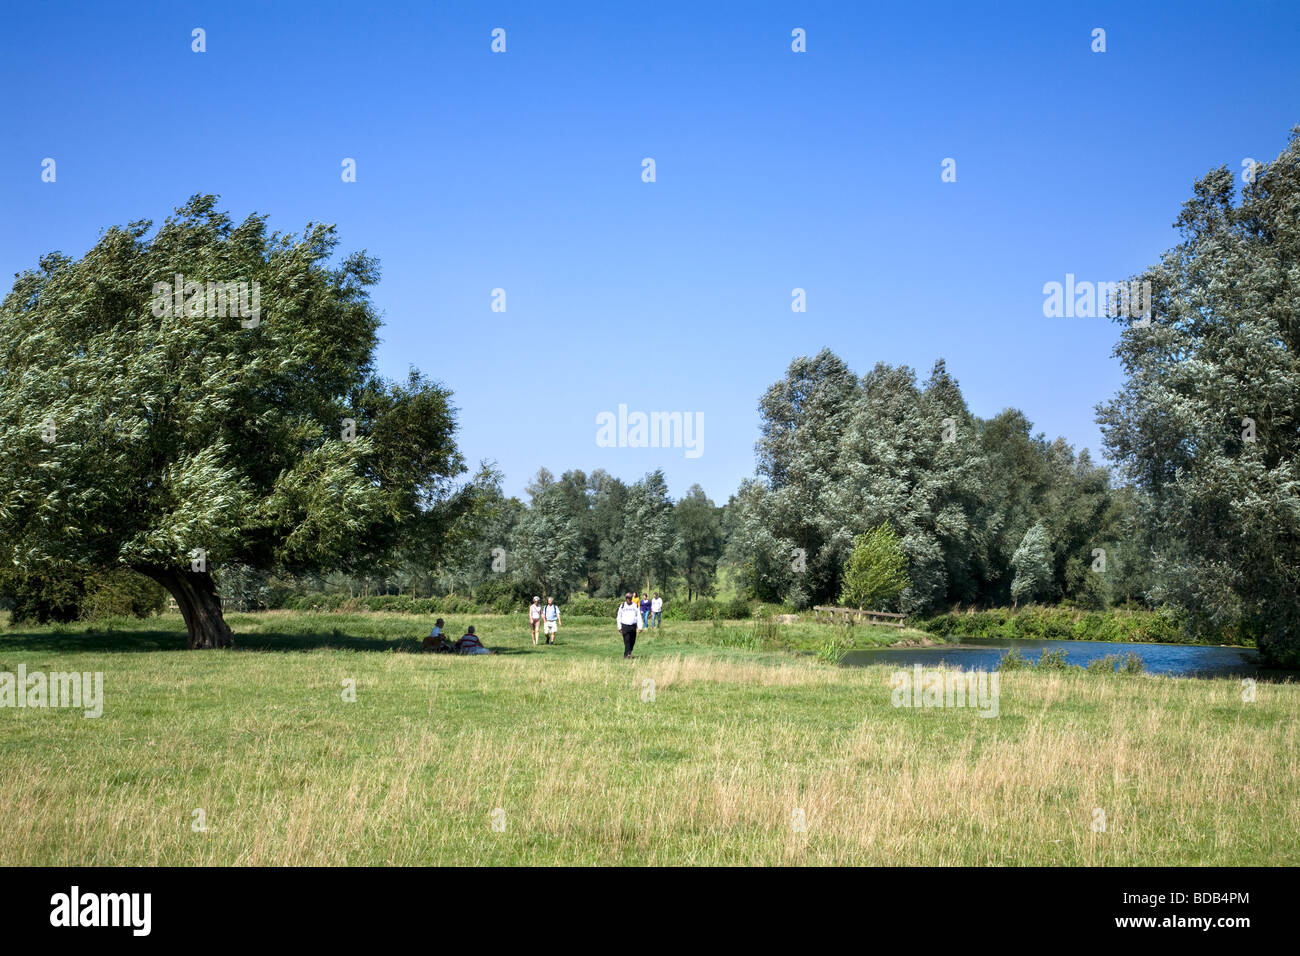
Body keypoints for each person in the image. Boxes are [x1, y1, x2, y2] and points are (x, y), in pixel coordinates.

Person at [616, 592, 643, 659]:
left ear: (631, 598)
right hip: (625, 626)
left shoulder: (635, 606)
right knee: (627, 640)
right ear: (626, 599)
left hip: (633, 626)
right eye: (627, 598)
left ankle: (627, 654)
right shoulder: (622, 606)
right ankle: (628, 654)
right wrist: (619, 626)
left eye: (630, 598)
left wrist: (640, 627)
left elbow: (639, 616)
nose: (629, 600)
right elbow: (619, 616)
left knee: (632, 641)